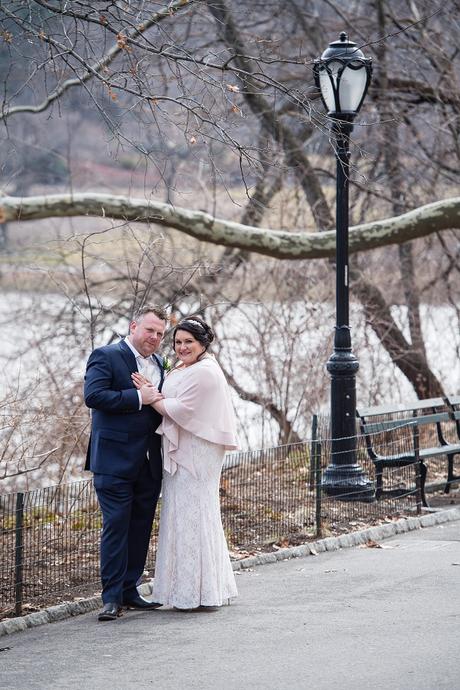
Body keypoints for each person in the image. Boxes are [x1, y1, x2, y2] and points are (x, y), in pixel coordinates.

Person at [132, 315, 238, 610]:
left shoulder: (205, 371)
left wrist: (150, 396)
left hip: (198, 449)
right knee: (183, 513)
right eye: (177, 342)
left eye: (188, 342)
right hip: (188, 444)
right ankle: (195, 589)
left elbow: (182, 409)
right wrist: (157, 395)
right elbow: (173, 400)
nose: (181, 347)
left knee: (195, 513)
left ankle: (198, 592)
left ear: (202, 343)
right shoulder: (186, 366)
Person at [84, 305, 168, 621]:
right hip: (113, 460)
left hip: (149, 462)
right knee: (116, 526)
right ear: (134, 326)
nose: (155, 338)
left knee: (140, 526)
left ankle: (131, 590)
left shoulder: (160, 362)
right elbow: (93, 396)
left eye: (160, 334)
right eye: (150, 330)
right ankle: (111, 597)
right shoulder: (105, 356)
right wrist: (138, 399)